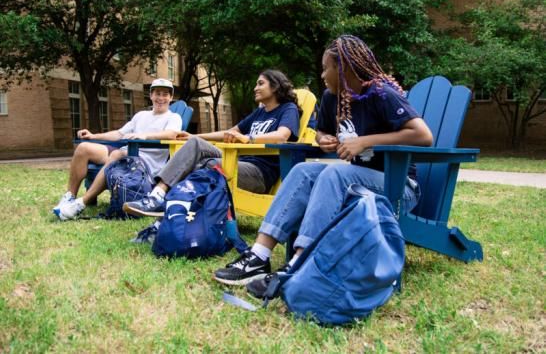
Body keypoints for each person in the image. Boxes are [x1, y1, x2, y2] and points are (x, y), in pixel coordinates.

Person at [213, 35, 433, 295]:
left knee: (334, 174)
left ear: (344, 68)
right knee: (303, 171)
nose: (321, 74)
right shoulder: (332, 98)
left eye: (325, 67)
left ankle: (300, 264)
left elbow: (424, 136)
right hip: (354, 182)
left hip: (397, 187)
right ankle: (258, 256)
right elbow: (321, 131)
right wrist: (323, 138)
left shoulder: (381, 94)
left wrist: (364, 142)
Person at [124, 69, 301, 242]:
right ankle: (157, 195)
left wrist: (248, 139)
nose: (255, 87)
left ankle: (163, 222)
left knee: (206, 165)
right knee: (195, 146)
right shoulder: (260, 113)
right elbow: (230, 132)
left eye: (260, 83)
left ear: (276, 86)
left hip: (258, 173)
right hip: (237, 161)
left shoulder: (288, 109)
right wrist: (195, 136)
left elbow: (282, 136)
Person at [54, 78, 182, 220]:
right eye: (157, 93)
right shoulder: (141, 116)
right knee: (83, 148)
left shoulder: (174, 117)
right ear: (151, 95)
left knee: (117, 154)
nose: (161, 98)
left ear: (171, 98)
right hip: (125, 153)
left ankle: (82, 202)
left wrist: (144, 135)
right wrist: (93, 135)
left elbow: (172, 134)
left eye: (165, 94)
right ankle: (69, 197)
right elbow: (119, 134)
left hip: (145, 163)